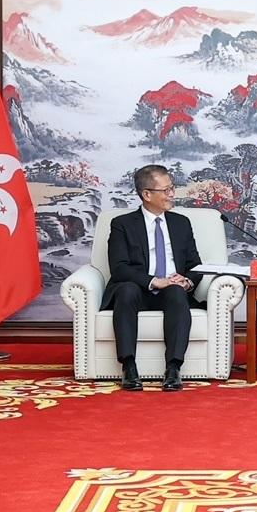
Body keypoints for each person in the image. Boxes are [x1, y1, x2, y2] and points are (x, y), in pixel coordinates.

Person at [102, 165, 207, 392]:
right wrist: (152, 280)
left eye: (172, 188)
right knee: (127, 290)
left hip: (171, 290)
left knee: (178, 292)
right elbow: (118, 268)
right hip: (138, 288)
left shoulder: (181, 223)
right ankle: (129, 367)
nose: (172, 194)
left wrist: (187, 280)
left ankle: (173, 368)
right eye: (166, 190)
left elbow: (195, 265)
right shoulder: (122, 224)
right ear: (146, 194)